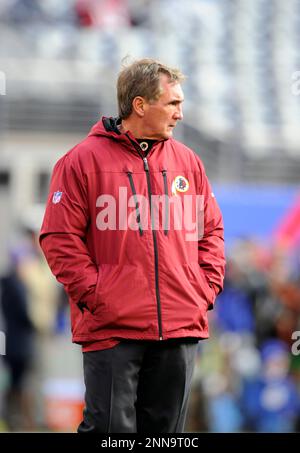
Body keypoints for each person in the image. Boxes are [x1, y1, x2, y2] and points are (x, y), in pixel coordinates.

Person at [39, 58, 225, 433]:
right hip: (112, 327)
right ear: (140, 105)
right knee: (109, 433)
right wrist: (98, 295)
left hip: (179, 327)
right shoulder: (80, 162)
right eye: (172, 104)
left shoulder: (188, 163)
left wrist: (202, 290)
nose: (180, 114)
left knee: (166, 435)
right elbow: (59, 239)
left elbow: (212, 233)